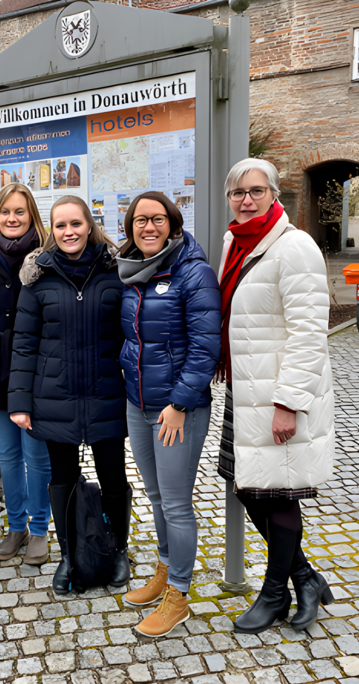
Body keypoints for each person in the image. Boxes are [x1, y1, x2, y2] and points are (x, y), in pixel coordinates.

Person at [217, 158, 336, 634]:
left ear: (274, 194)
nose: (246, 199)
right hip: (246, 389)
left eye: (256, 190)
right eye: (238, 192)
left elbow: (310, 333)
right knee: (250, 487)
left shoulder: (295, 247)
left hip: (279, 395)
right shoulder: (236, 242)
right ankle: (305, 577)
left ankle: (274, 594)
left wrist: (289, 402)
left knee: (278, 493)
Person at [9, 196, 131, 594]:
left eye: (75, 223)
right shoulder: (37, 277)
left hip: (106, 392)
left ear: (89, 224)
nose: (69, 232)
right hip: (54, 396)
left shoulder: (114, 271)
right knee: (62, 480)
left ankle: (118, 551)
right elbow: (24, 343)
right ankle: (69, 555)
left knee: (113, 478)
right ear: (51, 230)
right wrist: (20, 402)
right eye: (60, 226)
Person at [116, 191, 221, 636]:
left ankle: (178, 594)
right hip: (137, 404)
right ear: (130, 228)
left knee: (176, 504)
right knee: (156, 497)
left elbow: (205, 347)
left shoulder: (193, 273)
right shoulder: (132, 271)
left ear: (174, 224)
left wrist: (179, 404)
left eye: (157, 219)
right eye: (140, 220)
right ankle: (163, 570)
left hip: (177, 410)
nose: (148, 227)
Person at [0, 183, 52, 564]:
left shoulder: (47, 258)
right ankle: (15, 526)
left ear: (31, 215)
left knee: (37, 456)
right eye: (5, 212)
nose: (12, 219)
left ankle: (38, 529)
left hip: (35, 371)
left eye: (19, 212)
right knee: (9, 455)